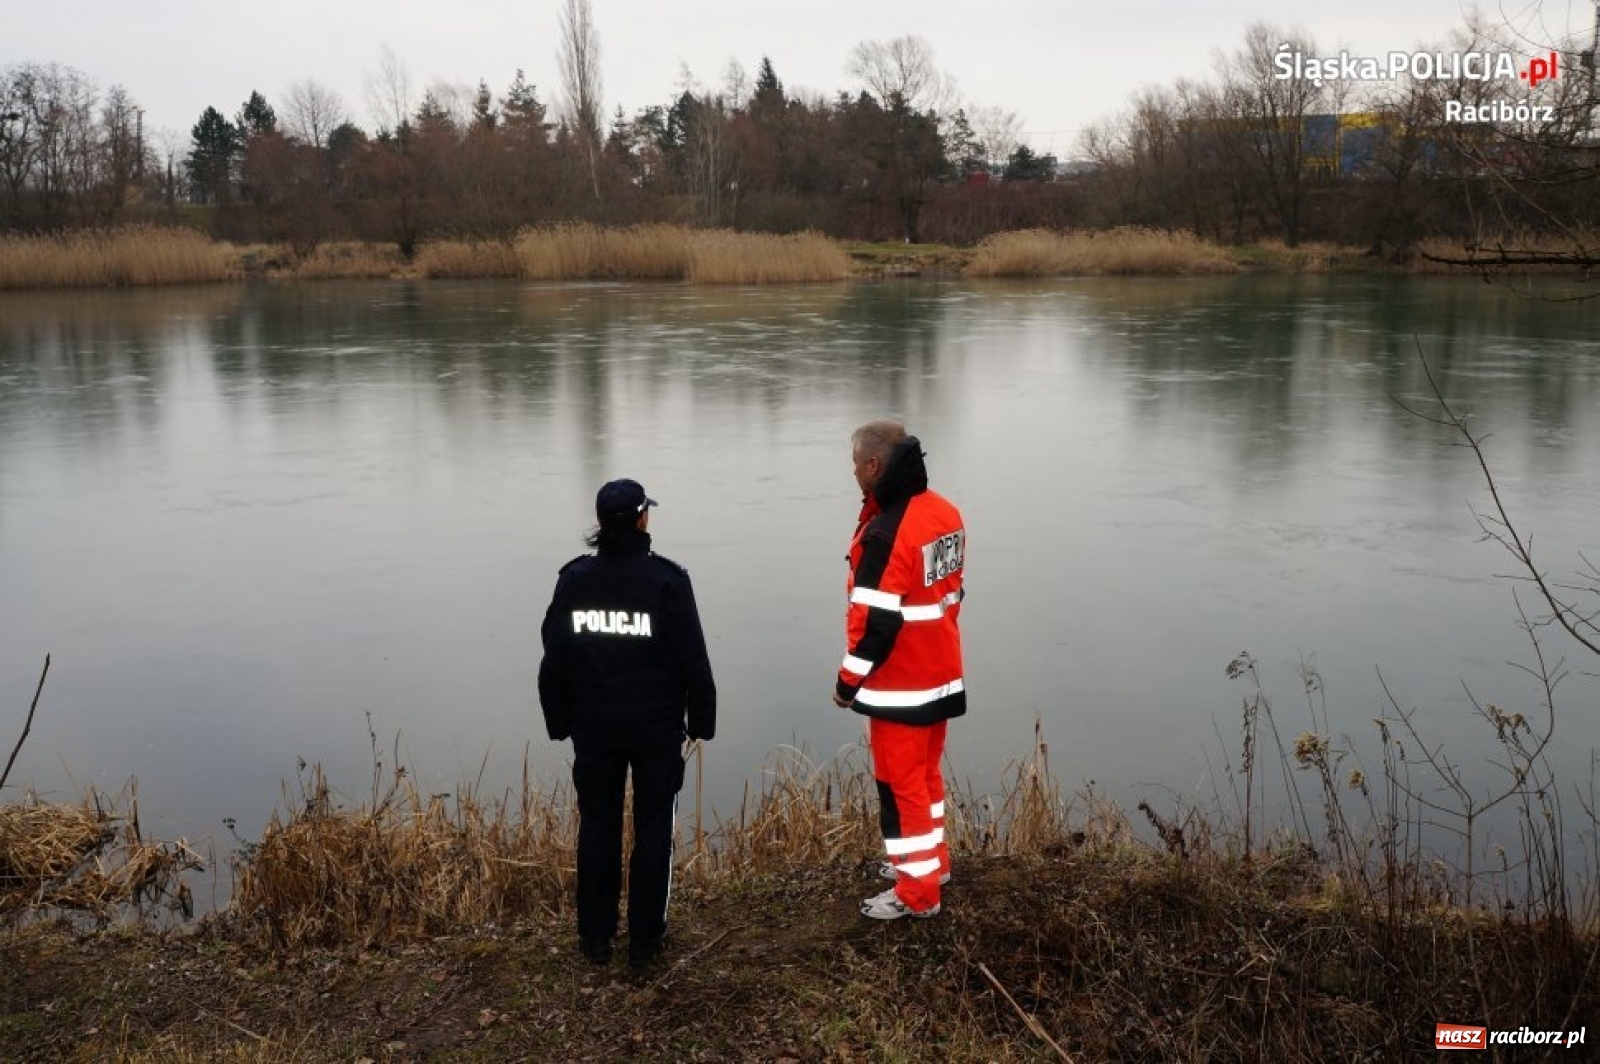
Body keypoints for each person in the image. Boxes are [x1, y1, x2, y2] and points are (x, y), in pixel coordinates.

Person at [538, 478, 716, 967]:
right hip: (655, 728)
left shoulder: (575, 579)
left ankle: (596, 938)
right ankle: (644, 940)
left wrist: (558, 720)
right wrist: (701, 721)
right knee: (654, 828)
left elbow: (554, 657)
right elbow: (693, 658)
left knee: (598, 824)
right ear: (642, 519)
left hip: (594, 726)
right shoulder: (667, 581)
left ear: (600, 523)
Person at [833, 419, 967, 920]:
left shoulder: (887, 531)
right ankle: (933, 865)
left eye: (855, 464)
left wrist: (847, 683)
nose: (852, 472)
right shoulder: (944, 512)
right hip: (942, 672)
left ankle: (917, 893)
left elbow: (874, 623)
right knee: (926, 780)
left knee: (900, 787)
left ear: (874, 465)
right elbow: (951, 592)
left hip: (900, 687)